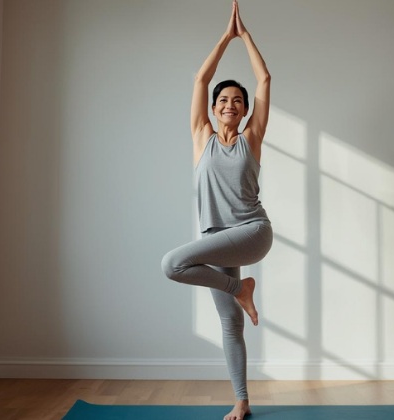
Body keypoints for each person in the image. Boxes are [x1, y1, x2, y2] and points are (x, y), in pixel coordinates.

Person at [161, 1, 272, 419]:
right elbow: (200, 77)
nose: (230, 103)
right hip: (216, 240)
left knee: (171, 263)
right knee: (231, 325)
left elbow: (264, 78)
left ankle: (240, 290)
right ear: (212, 107)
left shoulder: (251, 140)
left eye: (237, 101)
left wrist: (244, 37)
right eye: (223, 99)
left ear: (244, 110)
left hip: (252, 232)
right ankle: (242, 401)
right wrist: (223, 37)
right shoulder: (200, 136)